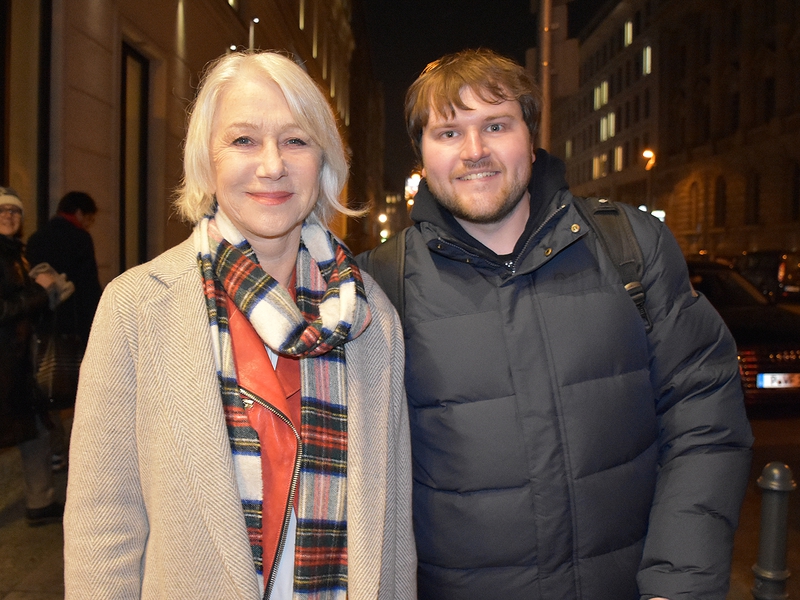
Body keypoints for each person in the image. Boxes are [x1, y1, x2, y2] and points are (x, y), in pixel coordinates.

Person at [357, 48, 752, 600]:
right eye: (448, 133)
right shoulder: (379, 284)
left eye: (495, 125)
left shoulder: (630, 248)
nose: (475, 152)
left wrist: (679, 582)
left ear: (531, 138)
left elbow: (704, 418)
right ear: (422, 153)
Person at [63, 51, 415, 600]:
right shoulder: (134, 309)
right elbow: (103, 525)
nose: (272, 165)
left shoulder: (372, 319)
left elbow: (392, 531)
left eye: (296, 140)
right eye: (244, 140)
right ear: (207, 160)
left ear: (324, 161)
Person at [0, 187, 63, 526]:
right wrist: (38, 290)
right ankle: (40, 500)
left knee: (35, 429)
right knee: (30, 429)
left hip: (18, 362)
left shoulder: (15, 254)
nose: (9, 216)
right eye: (3, 211)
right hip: (5, 365)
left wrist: (50, 291)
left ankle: (40, 501)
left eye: (15, 212)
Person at [26, 191, 101, 471]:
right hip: (72, 328)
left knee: (48, 390)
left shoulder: (35, 238)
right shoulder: (80, 238)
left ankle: (56, 452)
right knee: (79, 392)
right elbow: (88, 289)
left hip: (42, 327)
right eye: (89, 217)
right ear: (80, 213)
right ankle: (78, 455)